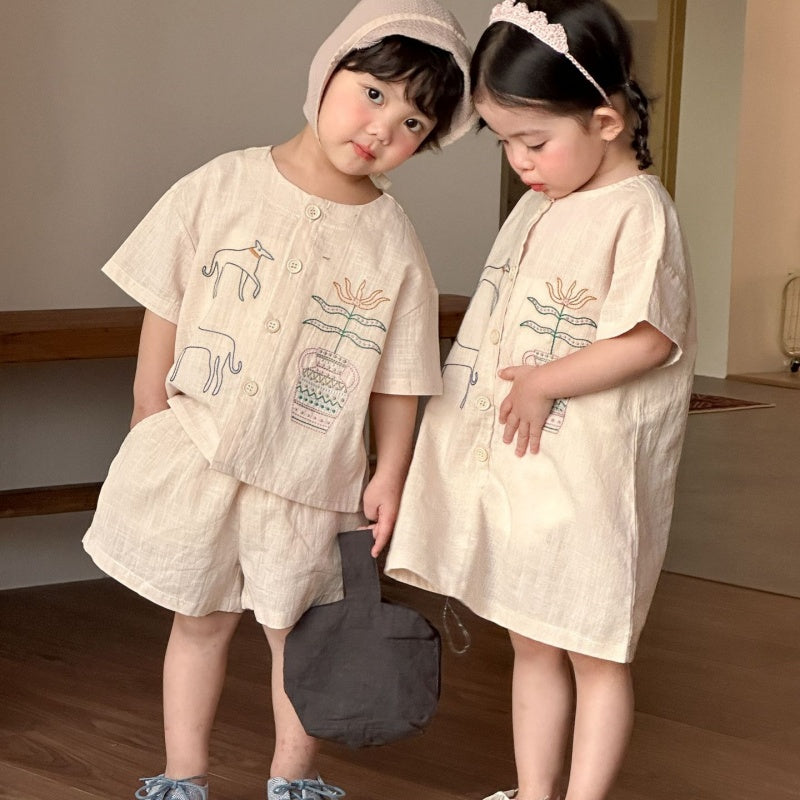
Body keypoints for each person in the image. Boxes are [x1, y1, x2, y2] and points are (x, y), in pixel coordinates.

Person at [83, 2, 475, 798]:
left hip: (311, 476)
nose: (381, 128)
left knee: (301, 633)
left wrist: (390, 471)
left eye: (411, 123)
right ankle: (182, 776)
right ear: (328, 72)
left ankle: (293, 781)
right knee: (197, 621)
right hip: (203, 447)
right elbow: (166, 296)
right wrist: (148, 407)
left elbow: (401, 374)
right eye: (373, 94)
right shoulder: (224, 182)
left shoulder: (393, 240)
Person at [385, 1, 696, 799]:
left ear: (604, 122)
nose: (520, 162)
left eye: (534, 141)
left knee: (594, 648)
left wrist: (546, 381)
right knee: (531, 638)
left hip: (590, 480)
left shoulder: (638, 211)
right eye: (504, 142)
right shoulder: (544, 200)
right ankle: (532, 789)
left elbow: (649, 337)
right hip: (532, 472)